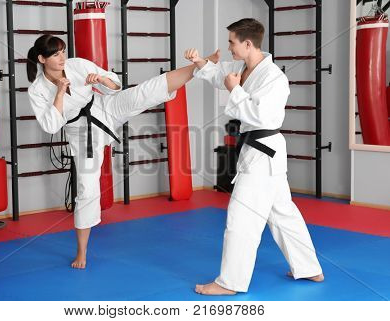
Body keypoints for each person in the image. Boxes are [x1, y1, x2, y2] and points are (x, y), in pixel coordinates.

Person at [27, 34, 203, 269]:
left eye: (62, 51)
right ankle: (82, 253)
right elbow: (51, 125)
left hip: (103, 108)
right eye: (55, 54)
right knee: (87, 189)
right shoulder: (37, 90)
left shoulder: (77, 65)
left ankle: (200, 66)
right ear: (42, 58)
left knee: (143, 93)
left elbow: (116, 85)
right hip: (80, 133)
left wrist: (101, 79)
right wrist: (59, 92)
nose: (62, 57)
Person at [185, 18, 324, 295]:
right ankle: (310, 268)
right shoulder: (242, 67)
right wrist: (201, 61)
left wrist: (234, 89)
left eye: (232, 43)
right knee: (283, 214)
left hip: (263, 152)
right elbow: (218, 74)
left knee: (241, 218)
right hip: (258, 152)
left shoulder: (274, 78)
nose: (229, 48)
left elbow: (261, 116)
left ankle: (229, 283)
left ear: (247, 44)